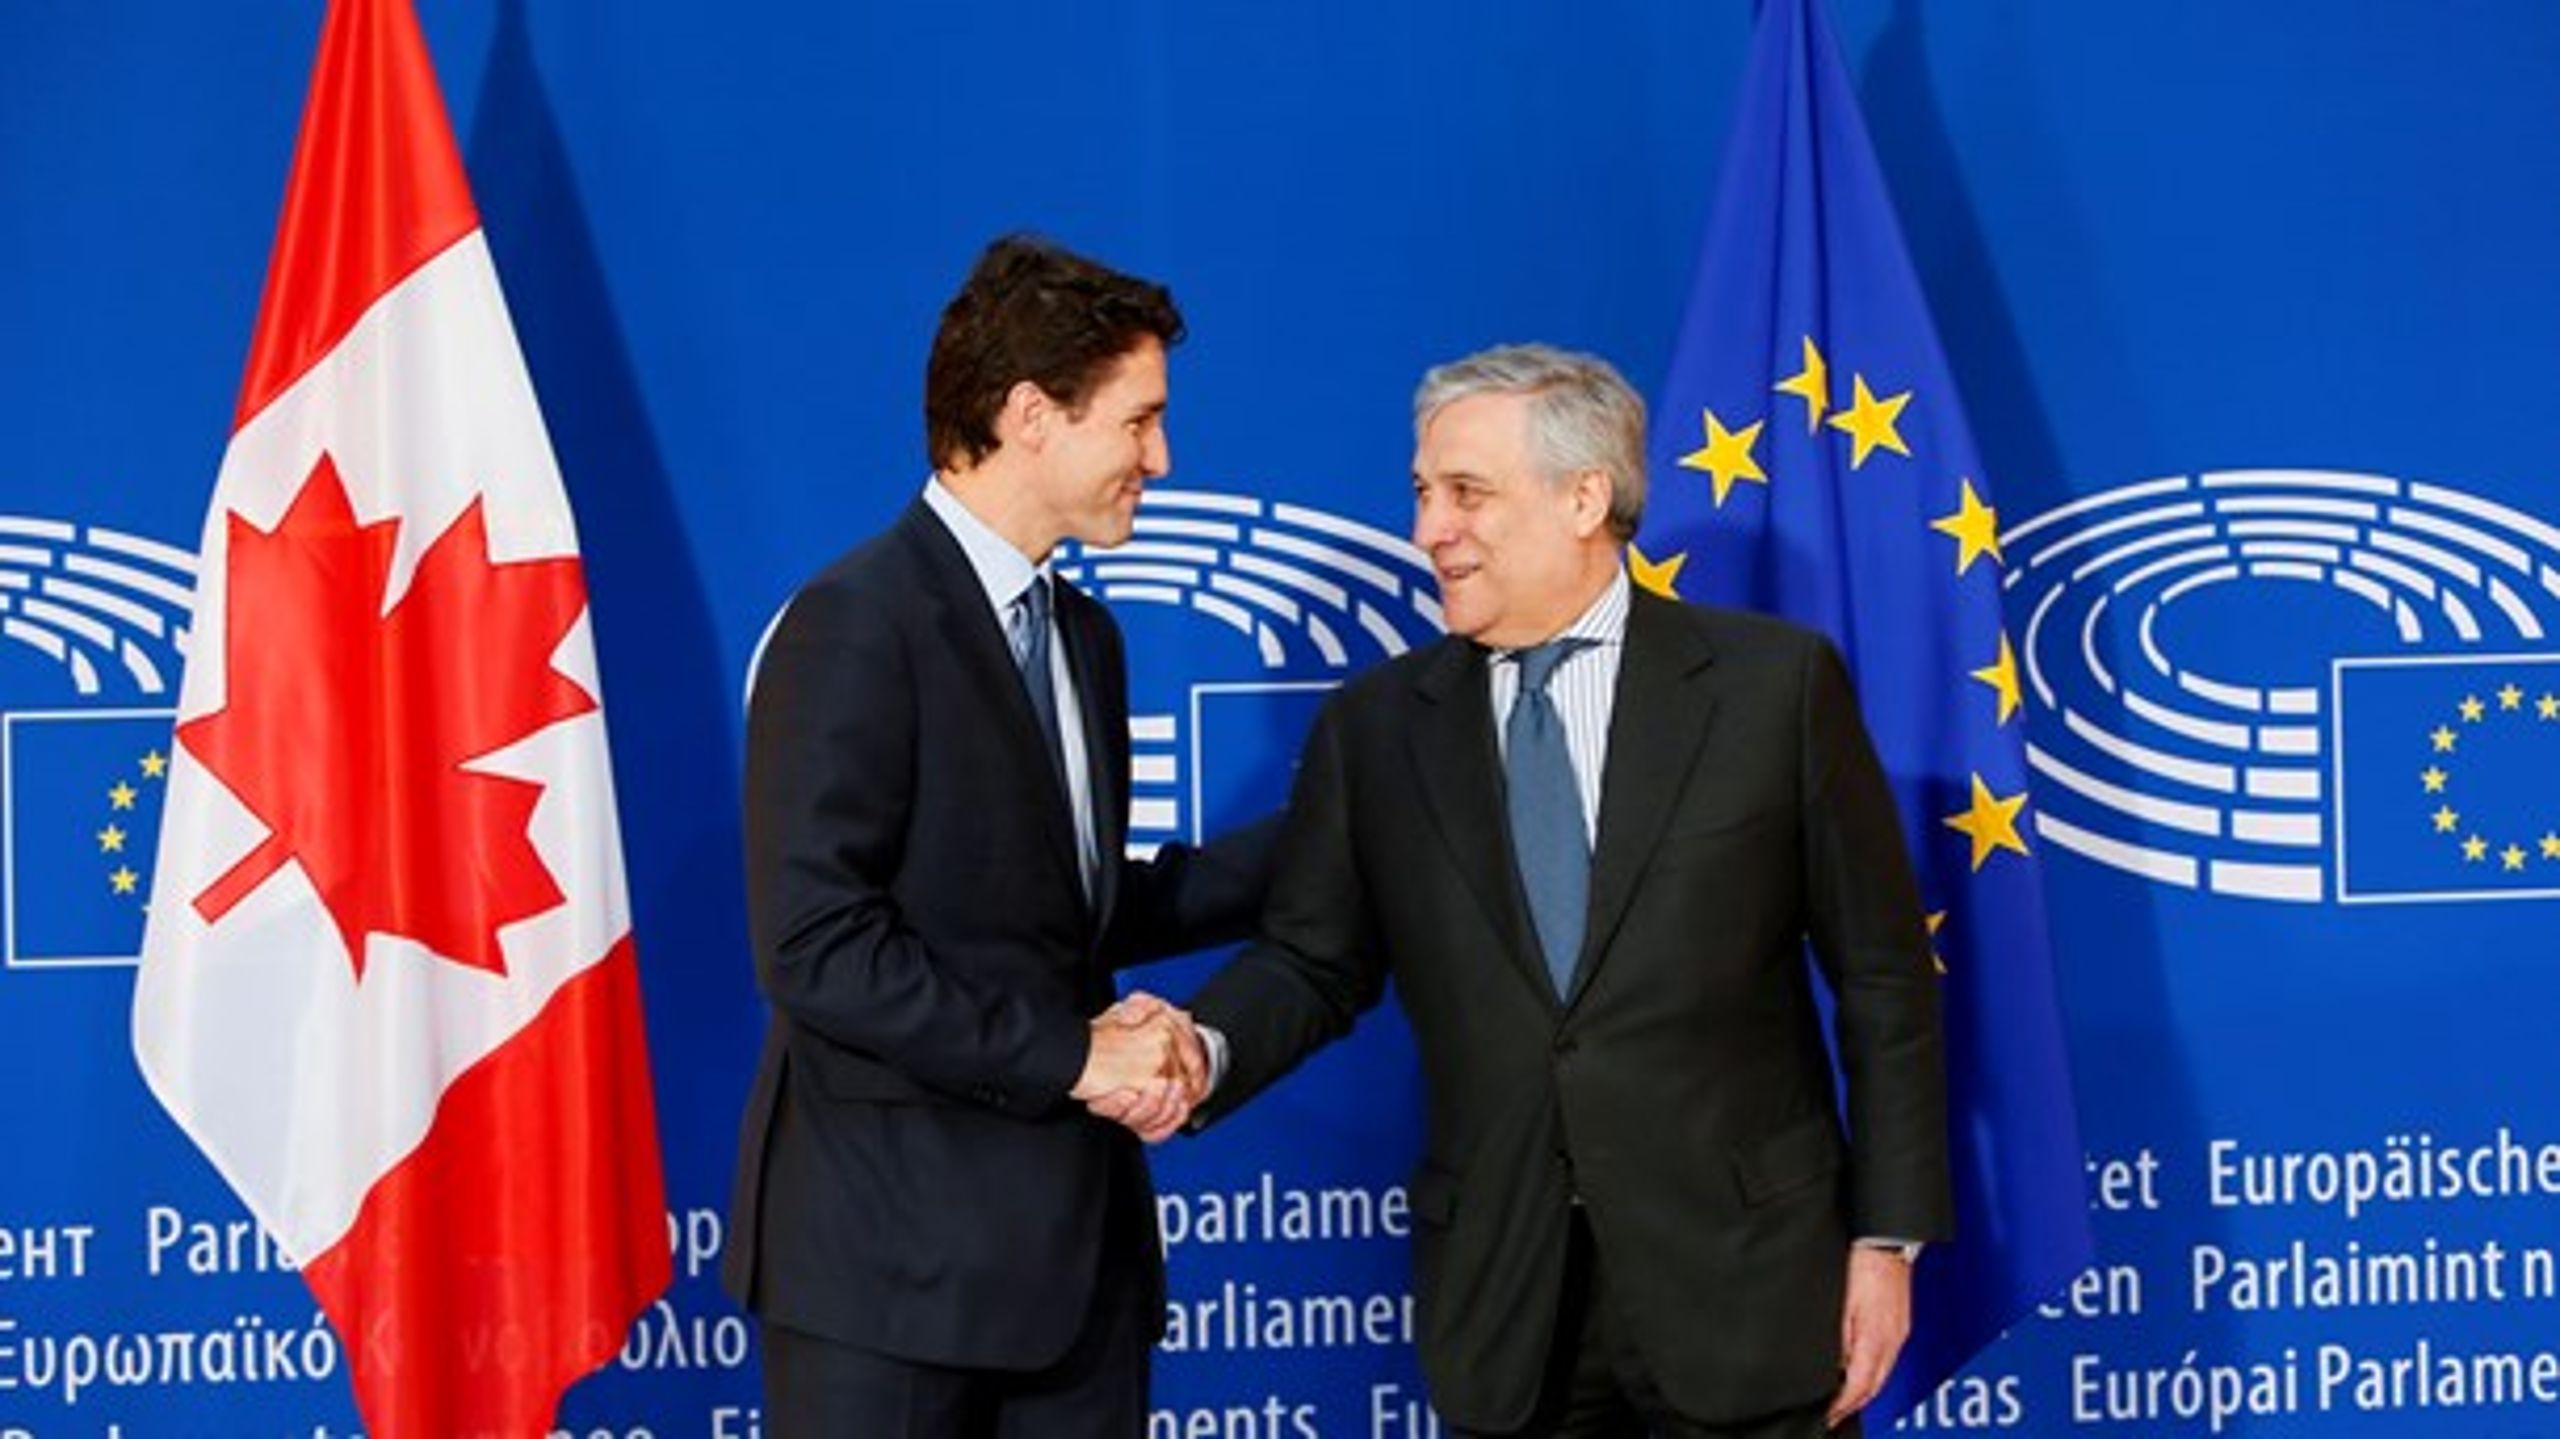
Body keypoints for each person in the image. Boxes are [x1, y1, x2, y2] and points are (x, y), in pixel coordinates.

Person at [1139, 344, 1951, 1437]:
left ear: (1585, 497)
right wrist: (1203, 1049)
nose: (1430, 528)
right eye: (1424, 492)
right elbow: (1312, 959)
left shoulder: (1771, 689)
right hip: (1508, 1306)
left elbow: (1883, 977)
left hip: (1748, 1287)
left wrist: (1886, 1236)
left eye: (1466, 492)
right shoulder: (1377, 729)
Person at [724, 234, 1273, 1436]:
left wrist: (1343, 840)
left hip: (1075, 1275)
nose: (1160, 458)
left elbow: (1058, 908)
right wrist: (1076, 1057)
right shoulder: (854, 624)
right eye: (1137, 421)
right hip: (890, 1281)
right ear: (1031, 413)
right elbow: (817, 944)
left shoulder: (1082, 636)